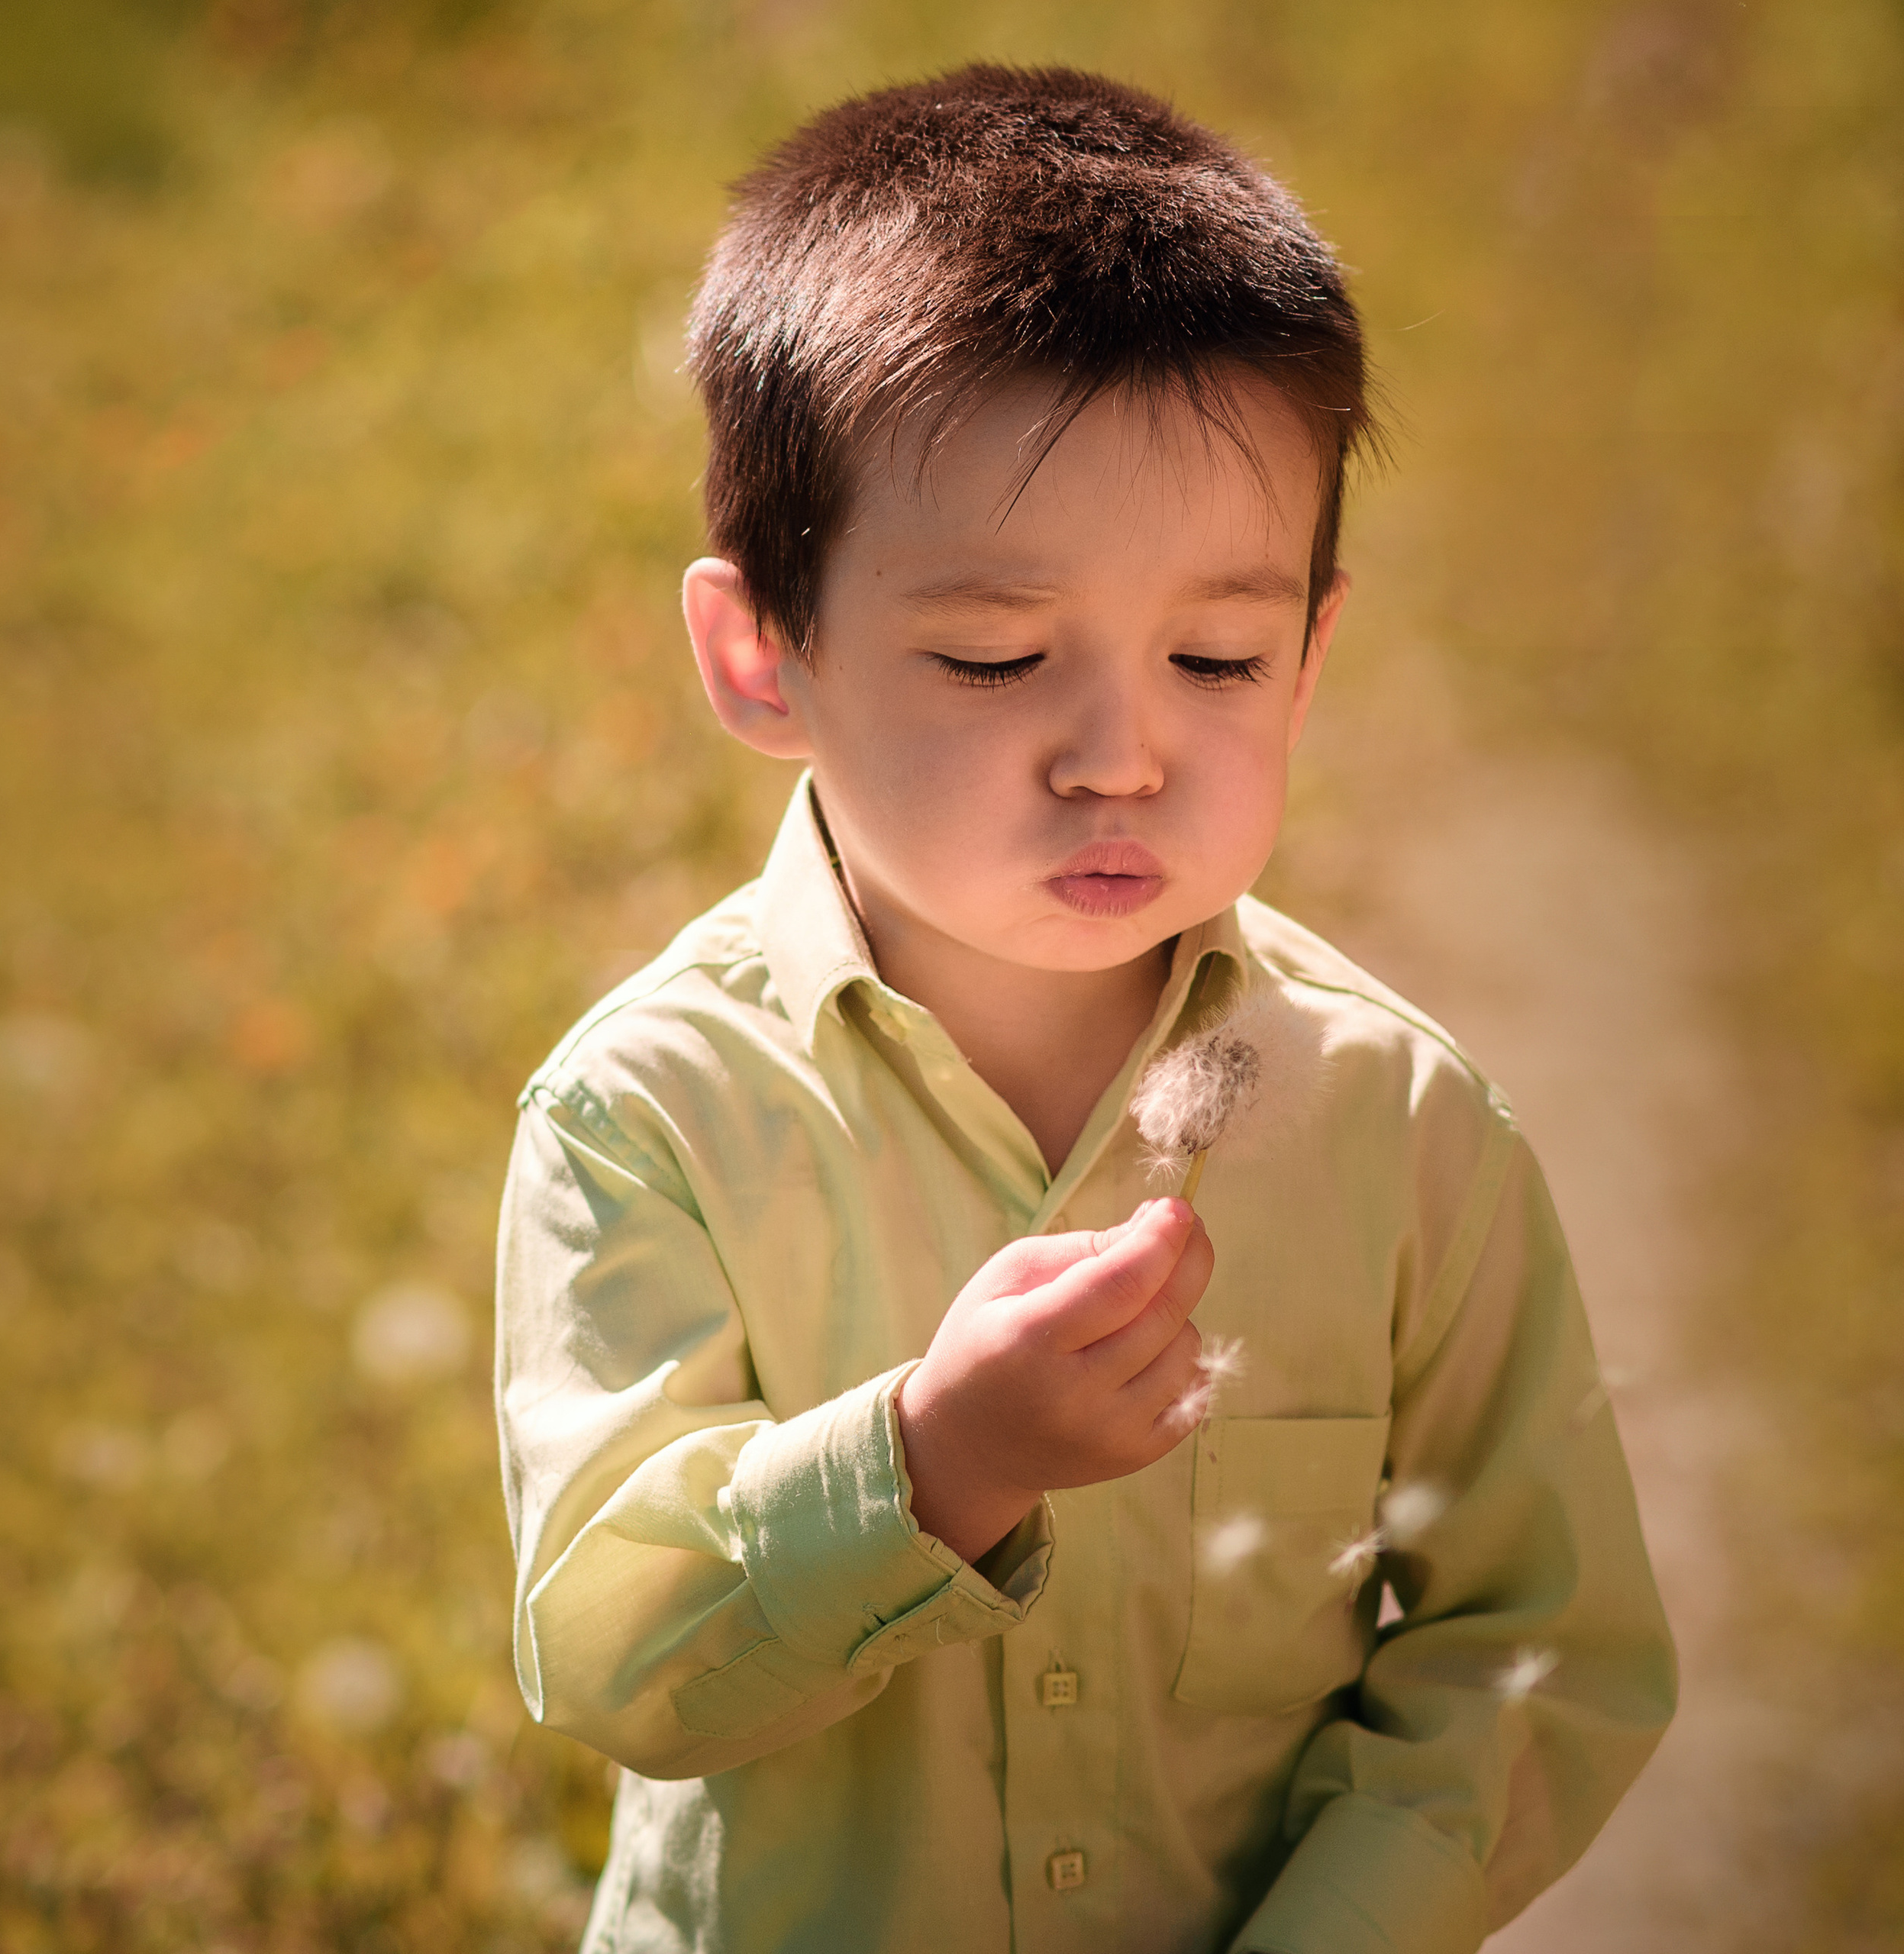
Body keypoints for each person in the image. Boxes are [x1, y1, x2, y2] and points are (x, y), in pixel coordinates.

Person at [495, 64, 1675, 1954]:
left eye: (1216, 655)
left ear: (1308, 658)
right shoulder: (652, 1107)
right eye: (993, 655)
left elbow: (1530, 1644)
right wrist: (927, 1464)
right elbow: (612, 1651)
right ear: (760, 654)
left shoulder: (1390, 1118)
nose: (1120, 752)